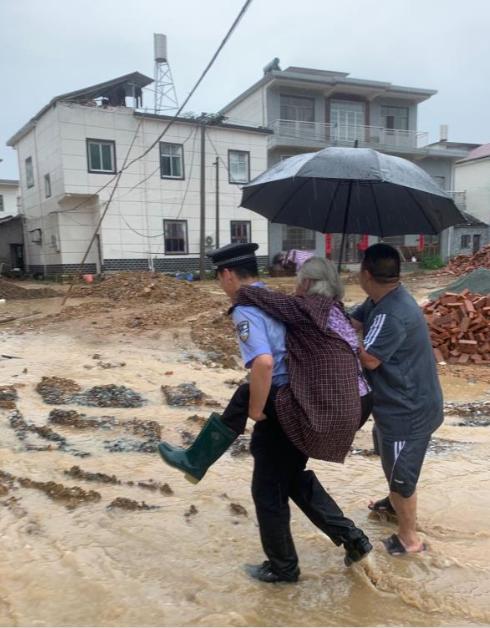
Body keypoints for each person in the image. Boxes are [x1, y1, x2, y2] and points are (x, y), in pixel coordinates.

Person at [158, 243, 372, 583]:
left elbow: (264, 362)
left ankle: (283, 567)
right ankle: (353, 539)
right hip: (317, 402)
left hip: (288, 405)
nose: (220, 284)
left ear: (228, 275)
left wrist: (257, 409)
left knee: (267, 488)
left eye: (219, 278)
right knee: (289, 479)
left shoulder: (250, 306)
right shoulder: (287, 303)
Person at [350, 243, 443, 556]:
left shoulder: (392, 313)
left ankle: (409, 539)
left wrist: (341, 341)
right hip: (395, 402)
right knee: (388, 452)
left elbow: (369, 360)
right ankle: (392, 506)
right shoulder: (380, 299)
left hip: (409, 408)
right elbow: (354, 323)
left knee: (402, 475)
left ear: (365, 273)